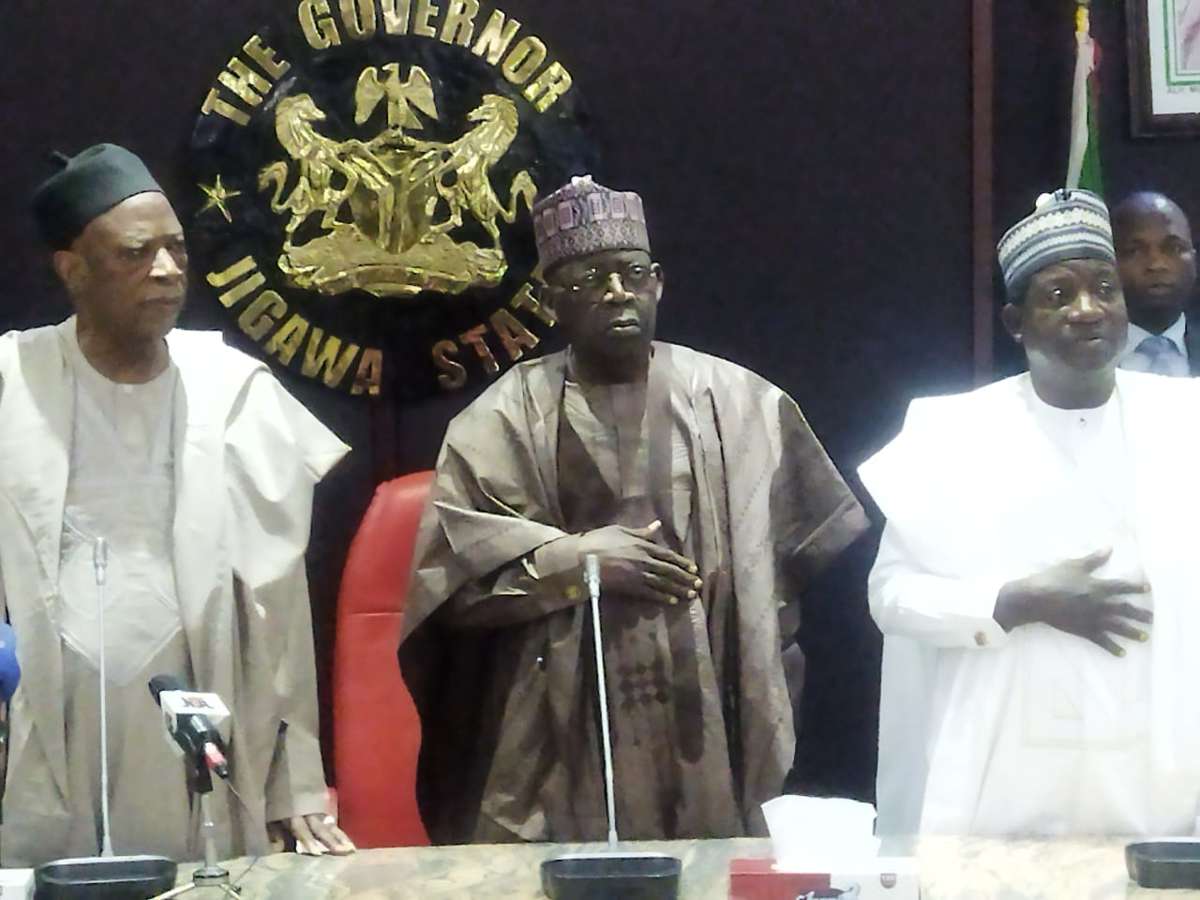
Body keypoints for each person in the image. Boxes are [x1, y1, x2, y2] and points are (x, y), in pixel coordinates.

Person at [398, 176, 867, 843]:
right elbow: (453, 593)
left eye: (633, 273)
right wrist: (577, 562)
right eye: (590, 279)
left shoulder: (743, 403)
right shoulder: (499, 420)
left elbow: (790, 570)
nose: (617, 292)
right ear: (550, 300)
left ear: (659, 283)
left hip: (710, 698)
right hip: (557, 725)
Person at [0, 143, 355, 864]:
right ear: (73, 270)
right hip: (50, 727)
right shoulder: (14, 378)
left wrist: (296, 782)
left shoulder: (232, 389)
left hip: (204, 715)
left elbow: (281, 609)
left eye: (176, 249)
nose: (166, 270)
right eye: (136, 253)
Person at [860, 188, 1200, 836]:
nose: (1088, 309)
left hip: (1163, 791)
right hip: (1002, 787)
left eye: (1105, 289)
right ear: (1016, 322)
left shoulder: (1188, 422)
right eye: (1059, 295)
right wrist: (1012, 602)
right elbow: (892, 597)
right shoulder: (951, 435)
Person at [1113, 191, 1199, 376]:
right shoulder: (1078, 359)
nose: (1157, 264)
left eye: (1174, 248)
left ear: (1194, 260)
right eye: (1134, 251)